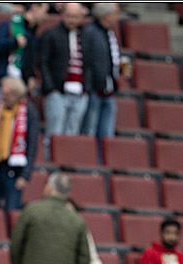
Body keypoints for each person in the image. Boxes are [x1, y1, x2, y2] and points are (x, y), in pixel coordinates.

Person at [10, 172, 90, 264]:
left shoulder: (32, 210)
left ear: (48, 188)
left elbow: (16, 244)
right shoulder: (77, 219)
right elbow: (84, 256)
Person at [37, 2, 91, 152]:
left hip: (80, 93)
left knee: (72, 135)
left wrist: (87, 88)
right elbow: (43, 63)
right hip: (57, 92)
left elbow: (89, 63)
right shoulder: (51, 34)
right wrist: (50, 88)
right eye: (69, 16)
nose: (72, 20)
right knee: (54, 134)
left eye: (75, 17)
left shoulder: (85, 36)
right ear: (62, 15)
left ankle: (68, 168)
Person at [0, 76, 38, 211]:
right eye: (2, 93)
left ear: (17, 95)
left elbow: (32, 144)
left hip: (15, 168)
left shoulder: (29, 111)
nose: (3, 97)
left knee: (12, 209)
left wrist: (25, 175)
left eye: (6, 94)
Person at [0, 2, 46, 116]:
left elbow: (28, 61)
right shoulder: (9, 25)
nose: (45, 16)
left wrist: (30, 76)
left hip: (19, 86)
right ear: (35, 8)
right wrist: (13, 42)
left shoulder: (32, 34)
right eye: (44, 11)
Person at [81, 3, 123, 156]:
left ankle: (103, 164)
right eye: (116, 13)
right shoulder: (90, 32)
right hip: (94, 90)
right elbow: (87, 62)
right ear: (106, 15)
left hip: (108, 90)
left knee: (107, 134)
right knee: (90, 131)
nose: (118, 17)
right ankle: (89, 161)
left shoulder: (109, 33)